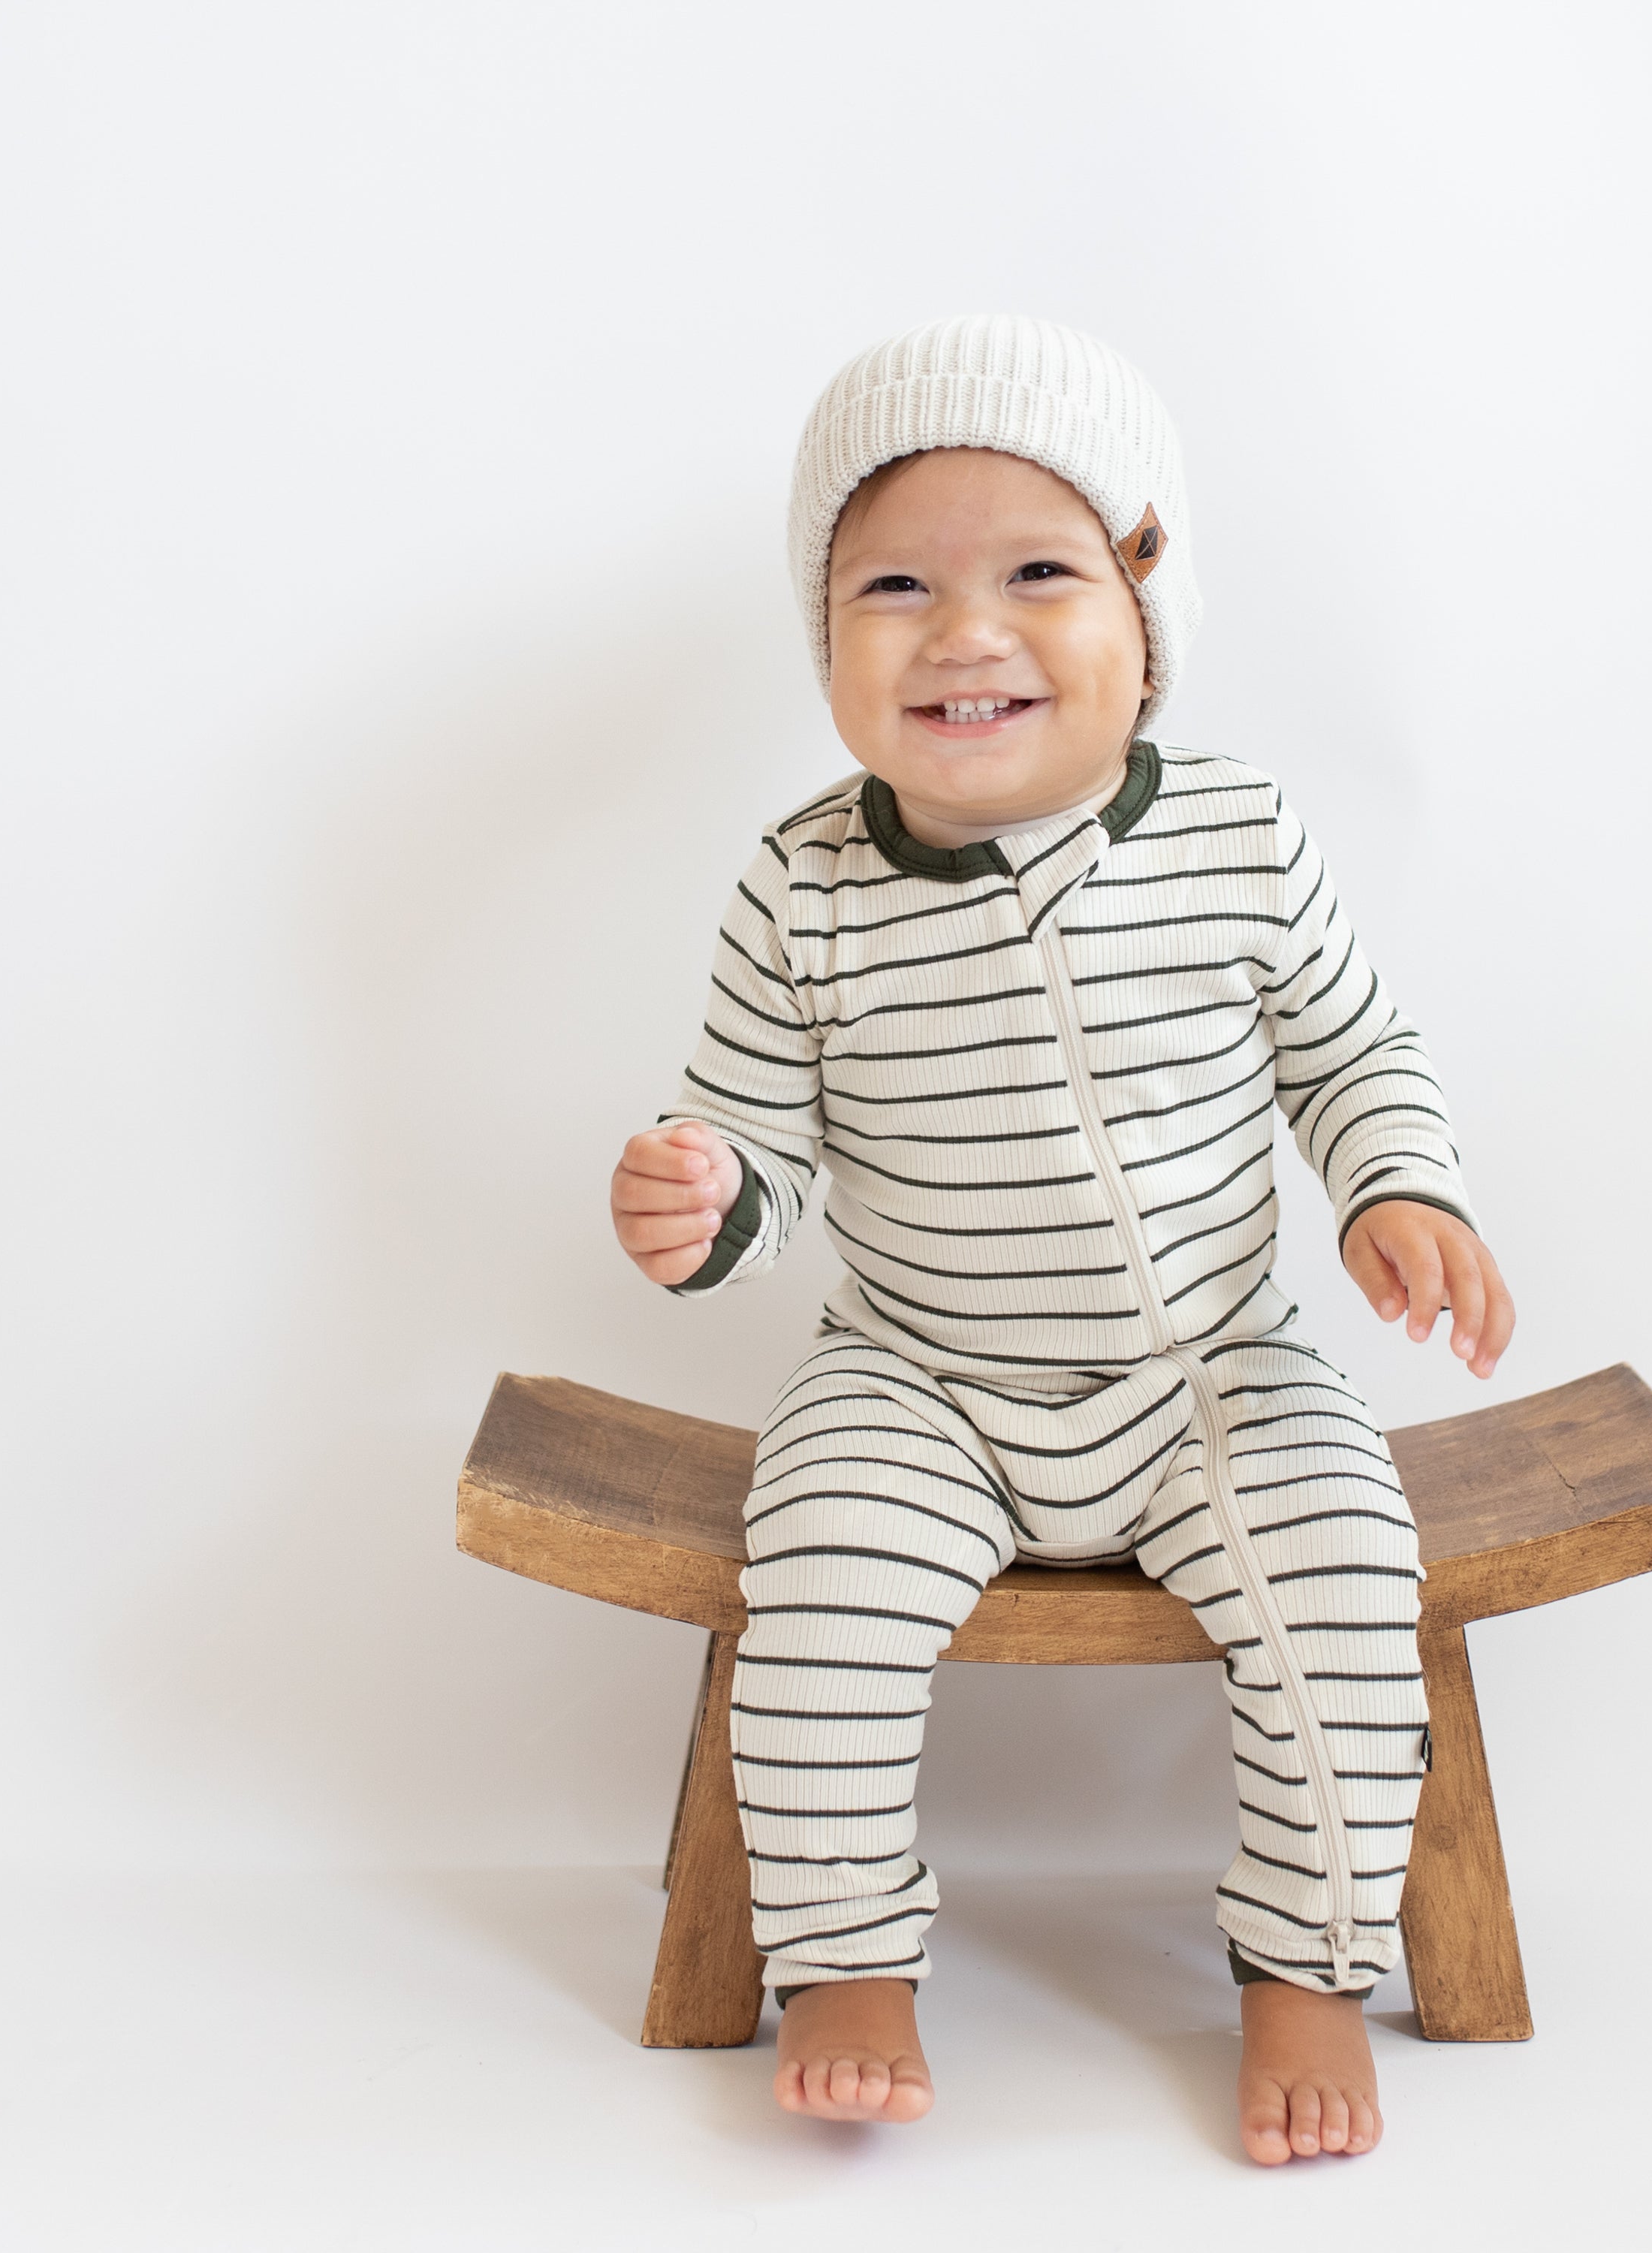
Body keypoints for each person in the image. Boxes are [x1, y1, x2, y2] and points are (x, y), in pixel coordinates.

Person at [609, 317, 1514, 2166]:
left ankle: (1305, 1963)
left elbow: (1352, 1047)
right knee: (823, 1602)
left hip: (1216, 1373)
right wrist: (702, 1202)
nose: (966, 630)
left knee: (1350, 1581)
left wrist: (1396, 1185)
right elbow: (757, 1136)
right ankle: (848, 1956)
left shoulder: (1241, 837)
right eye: (895, 586)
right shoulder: (806, 882)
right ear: (827, 636)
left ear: (1145, 596)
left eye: (1039, 570)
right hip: (919, 1381)